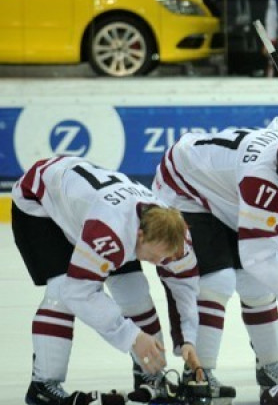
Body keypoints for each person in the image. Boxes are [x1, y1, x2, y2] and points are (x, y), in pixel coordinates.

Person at [152, 131, 278, 393]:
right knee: (217, 280)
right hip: (184, 189)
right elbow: (259, 256)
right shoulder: (262, 180)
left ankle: (269, 366)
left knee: (256, 285)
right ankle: (198, 372)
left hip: (223, 187)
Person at [11, 156, 201, 404]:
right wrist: (131, 337)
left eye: (164, 257)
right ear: (139, 236)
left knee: (134, 290)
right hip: (38, 204)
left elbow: (185, 287)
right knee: (60, 291)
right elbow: (78, 293)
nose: (158, 262)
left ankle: (150, 374)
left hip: (92, 205)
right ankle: (43, 385)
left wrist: (188, 339)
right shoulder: (111, 231)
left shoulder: (176, 237)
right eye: (154, 256)